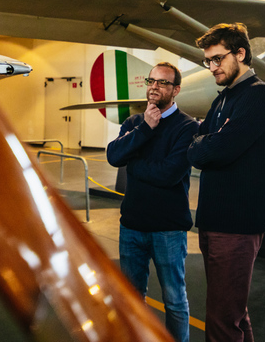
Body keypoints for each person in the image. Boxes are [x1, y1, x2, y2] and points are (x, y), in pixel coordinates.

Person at [186, 23, 265, 342]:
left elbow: (216, 148)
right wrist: (205, 144)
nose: (212, 67)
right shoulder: (222, 100)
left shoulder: (258, 96)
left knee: (223, 319)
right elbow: (200, 147)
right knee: (233, 312)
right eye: (208, 61)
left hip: (237, 226)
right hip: (214, 221)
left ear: (240, 54)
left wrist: (205, 144)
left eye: (218, 59)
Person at [107, 62, 199, 342]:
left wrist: (133, 166)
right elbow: (114, 156)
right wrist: (145, 129)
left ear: (176, 89)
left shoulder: (188, 127)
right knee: (132, 299)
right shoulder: (135, 123)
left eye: (162, 82)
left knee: (174, 300)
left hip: (168, 229)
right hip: (132, 226)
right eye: (151, 81)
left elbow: (169, 174)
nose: (154, 86)